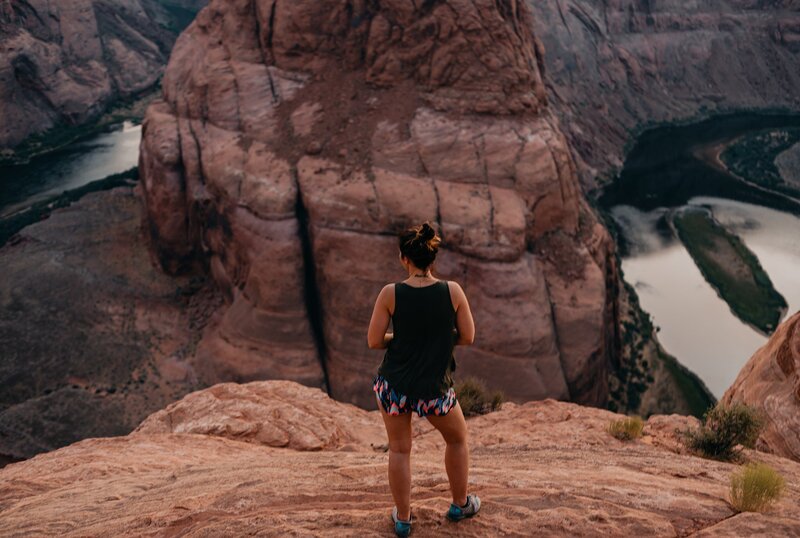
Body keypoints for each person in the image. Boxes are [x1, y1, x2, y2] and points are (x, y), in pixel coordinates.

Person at [367, 221, 480, 537]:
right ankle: (460, 504)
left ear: (404, 258)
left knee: (400, 450)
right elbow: (468, 336)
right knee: (457, 439)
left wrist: (403, 338)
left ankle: (403, 520)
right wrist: (435, 340)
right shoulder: (452, 291)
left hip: (395, 386)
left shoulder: (391, 293)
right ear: (433, 259)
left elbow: (374, 341)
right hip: (434, 388)